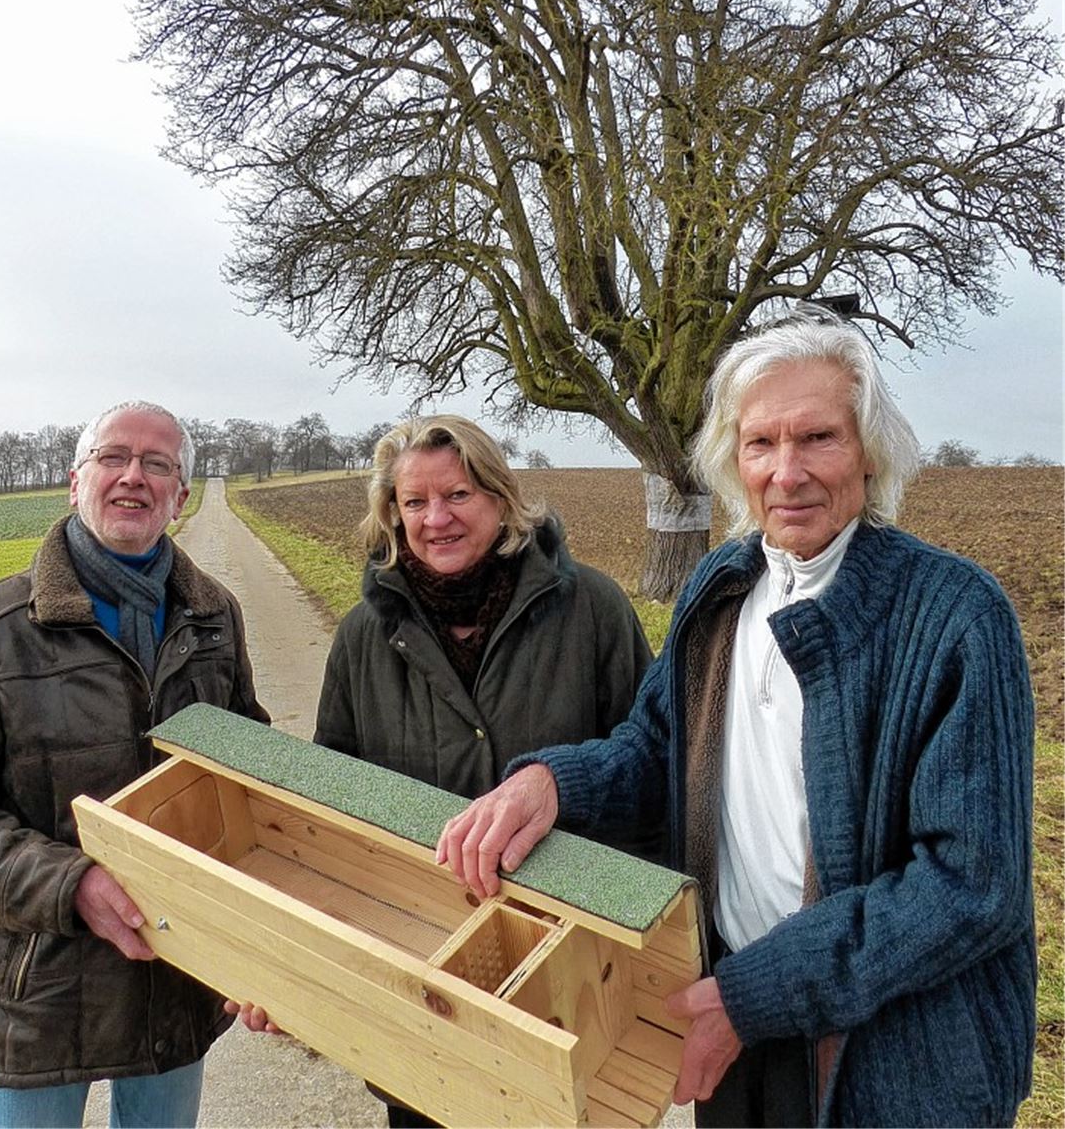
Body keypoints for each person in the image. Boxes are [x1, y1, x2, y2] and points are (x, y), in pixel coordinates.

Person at [436, 312, 1036, 1129]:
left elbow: (970, 888)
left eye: (818, 438)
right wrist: (552, 783)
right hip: (738, 1028)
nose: (787, 472)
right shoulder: (722, 585)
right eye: (761, 443)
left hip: (891, 1061)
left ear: (869, 452)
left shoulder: (955, 616)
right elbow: (657, 747)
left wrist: (755, 996)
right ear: (733, 459)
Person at [232, 414, 654, 1127]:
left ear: (500, 498)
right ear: (392, 515)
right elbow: (325, 817)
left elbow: (647, 769)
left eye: (458, 494)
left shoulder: (593, 610)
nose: (437, 519)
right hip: (417, 979)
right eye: (415, 502)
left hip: (568, 973)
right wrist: (291, 966)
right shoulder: (364, 635)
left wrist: (642, 960)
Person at [0, 401, 270, 1129]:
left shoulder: (214, 618)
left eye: (157, 464)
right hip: (42, 992)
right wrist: (71, 883)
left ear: (180, 497)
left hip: (179, 980)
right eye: (113, 457)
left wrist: (258, 942)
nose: (133, 476)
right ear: (75, 480)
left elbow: (248, 784)